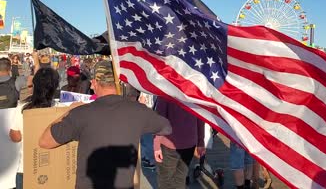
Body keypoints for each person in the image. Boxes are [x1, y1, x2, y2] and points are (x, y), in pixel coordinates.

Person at [38, 61, 172, 189]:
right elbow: (166, 127)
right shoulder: (138, 111)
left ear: (95, 83)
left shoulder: (80, 113)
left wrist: (68, 111)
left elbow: (45, 142)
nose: (91, 86)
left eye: (92, 83)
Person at [9, 67, 60, 189]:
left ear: (35, 85)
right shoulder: (59, 108)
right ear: (55, 86)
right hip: (54, 168)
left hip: (26, 168)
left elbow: (15, 137)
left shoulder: (23, 108)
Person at [154, 96, 206, 189]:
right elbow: (201, 118)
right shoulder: (195, 90)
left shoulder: (165, 90)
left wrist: (156, 145)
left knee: (165, 180)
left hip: (169, 143)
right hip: (189, 142)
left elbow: (160, 120)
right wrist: (200, 141)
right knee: (180, 178)